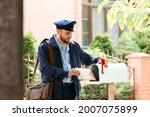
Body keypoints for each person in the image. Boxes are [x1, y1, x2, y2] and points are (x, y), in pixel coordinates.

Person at [38, 19, 101, 100]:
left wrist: (98, 60)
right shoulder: (44, 47)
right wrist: (66, 73)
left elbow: (88, 59)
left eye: (71, 33)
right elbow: (44, 68)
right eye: (67, 33)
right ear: (58, 31)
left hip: (73, 91)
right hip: (53, 92)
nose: (70, 36)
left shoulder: (75, 46)